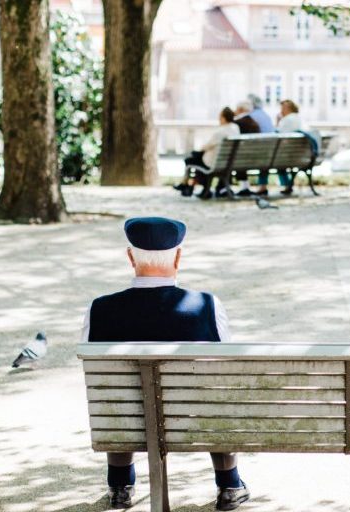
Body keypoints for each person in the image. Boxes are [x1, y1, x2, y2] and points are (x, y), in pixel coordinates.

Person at [82, 217, 251, 511]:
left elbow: (95, 370)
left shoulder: (99, 309)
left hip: (126, 421)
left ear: (131, 257)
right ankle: (229, 484)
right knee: (216, 392)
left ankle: (120, 486)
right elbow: (225, 364)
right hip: (194, 419)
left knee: (118, 396)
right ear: (178, 257)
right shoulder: (207, 305)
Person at [177, 107, 239, 199]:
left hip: (214, 163)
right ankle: (187, 185)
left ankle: (187, 185)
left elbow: (205, 147)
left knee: (191, 159)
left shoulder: (220, 132)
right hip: (228, 162)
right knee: (194, 158)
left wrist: (199, 150)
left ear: (223, 118)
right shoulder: (235, 128)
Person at [257, 99, 306, 196]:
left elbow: (276, 134)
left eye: (282, 108)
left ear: (287, 108)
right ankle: (287, 185)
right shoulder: (299, 119)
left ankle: (263, 186)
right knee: (278, 161)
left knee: (265, 160)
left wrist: (278, 122)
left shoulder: (287, 119)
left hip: (284, 154)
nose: (281, 110)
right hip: (295, 154)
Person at [231, 101, 261, 197]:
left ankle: (223, 187)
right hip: (256, 157)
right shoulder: (255, 123)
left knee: (233, 157)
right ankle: (245, 187)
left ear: (240, 110)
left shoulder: (237, 123)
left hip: (241, 157)